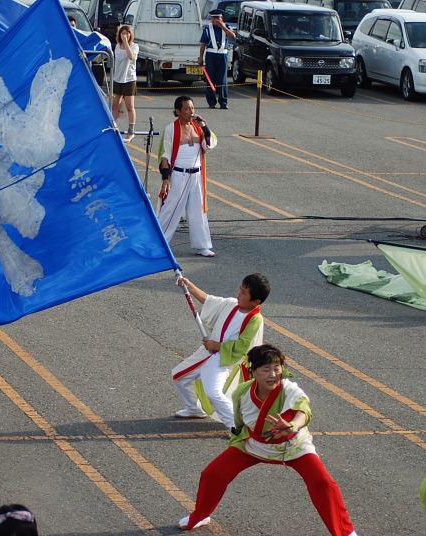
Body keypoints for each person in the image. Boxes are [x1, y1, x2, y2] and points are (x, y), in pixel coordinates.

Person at [179, 344, 359, 535]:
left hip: (293, 447)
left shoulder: (290, 390)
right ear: (253, 371)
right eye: (266, 370)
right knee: (213, 474)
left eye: (277, 368)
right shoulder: (242, 392)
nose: (273, 374)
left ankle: (346, 532)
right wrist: (237, 436)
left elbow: (303, 411)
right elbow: (239, 422)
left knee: (323, 483)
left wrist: (293, 426)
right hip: (254, 445)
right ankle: (200, 516)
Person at [171, 273, 269, 428]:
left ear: (256, 301)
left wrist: (216, 346)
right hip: (208, 353)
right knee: (179, 376)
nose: (239, 294)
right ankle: (193, 409)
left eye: (244, 293)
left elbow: (242, 347)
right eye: (240, 289)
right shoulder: (231, 304)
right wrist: (188, 285)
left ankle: (235, 427)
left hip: (225, 360)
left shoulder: (255, 320)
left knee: (214, 392)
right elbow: (208, 300)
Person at [157, 96, 217, 257]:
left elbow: (210, 145)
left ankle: (202, 245)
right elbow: (164, 155)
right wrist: (165, 179)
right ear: (178, 111)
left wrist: (205, 128)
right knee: (170, 209)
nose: (191, 112)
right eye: (187, 109)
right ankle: (158, 243)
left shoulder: (198, 127)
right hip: (178, 174)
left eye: (192, 108)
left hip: (196, 174)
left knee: (198, 210)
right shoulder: (171, 128)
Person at [199, 9, 235, 110]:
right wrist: (201, 57)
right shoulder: (207, 28)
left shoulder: (226, 27)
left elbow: (233, 36)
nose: (215, 20)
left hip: (223, 55)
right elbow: (203, 44)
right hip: (211, 55)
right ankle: (211, 102)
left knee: (222, 80)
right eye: (214, 18)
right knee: (210, 79)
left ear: (221, 18)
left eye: (217, 18)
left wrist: (222, 26)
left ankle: (223, 102)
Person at [112, 25, 139, 143]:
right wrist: (122, 42)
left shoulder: (135, 46)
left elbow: (131, 56)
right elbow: (118, 58)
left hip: (129, 79)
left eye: (127, 33)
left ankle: (131, 131)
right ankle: (113, 126)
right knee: (115, 104)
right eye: (123, 33)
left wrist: (126, 43)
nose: (125, 35)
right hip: (118, 79)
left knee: (129, 106)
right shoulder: (117, 47)